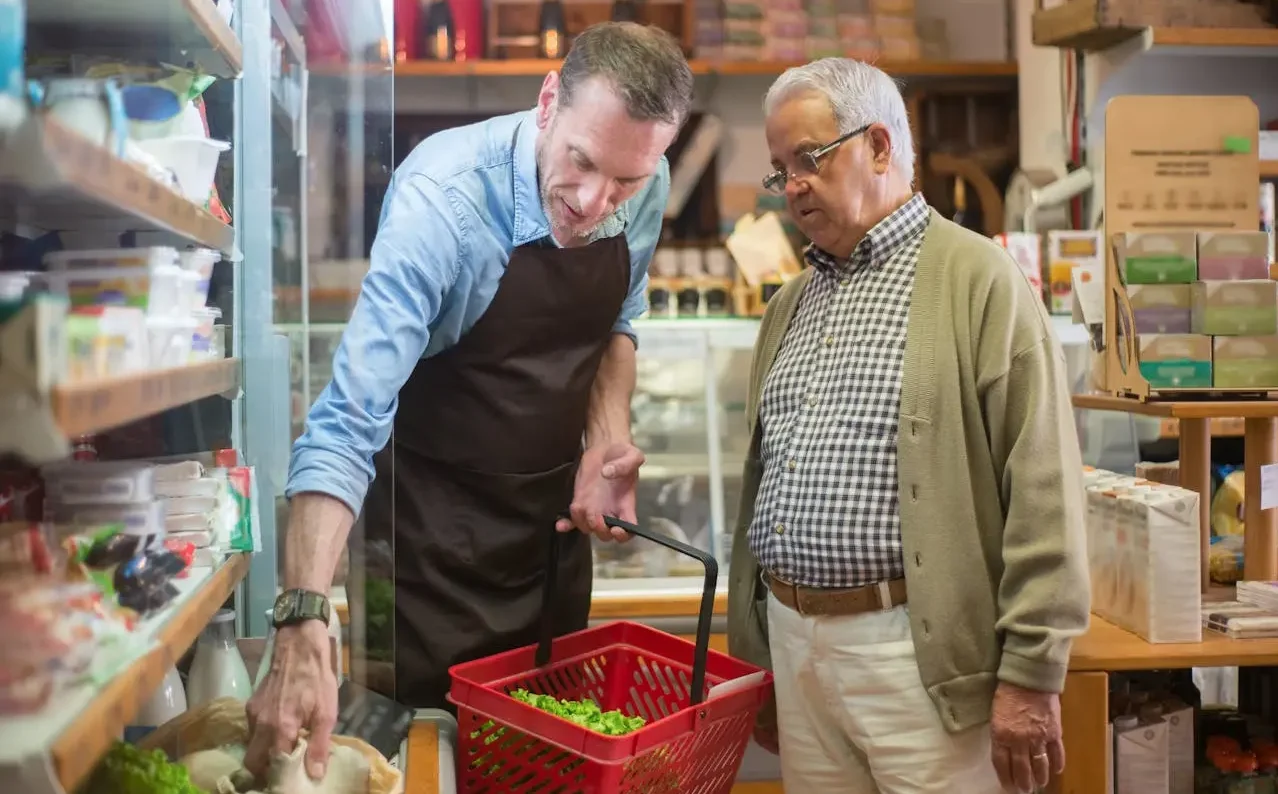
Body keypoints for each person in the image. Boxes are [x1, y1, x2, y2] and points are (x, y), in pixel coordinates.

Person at [245, 22, 694, 780]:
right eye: (581, 162)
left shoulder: (646, 176)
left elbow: (619, 320)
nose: (594, 202)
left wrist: (604, 442)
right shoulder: (443, 201)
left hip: (547, 537)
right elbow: (347, 420)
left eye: (625, 183)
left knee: (545, 759)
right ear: (548, 100)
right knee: (435, 764)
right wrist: (300, 615)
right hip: (428, 551)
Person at [725, 58, 1090, 794]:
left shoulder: (978, 279)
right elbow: (762, 482)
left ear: (882, 147)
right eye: (779, 168)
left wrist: (1030, 673)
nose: (792, 185)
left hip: (915, 658)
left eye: (810, 158)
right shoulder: (789, 305)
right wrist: (758, 650)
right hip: (798, 650)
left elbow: (1044, 487)